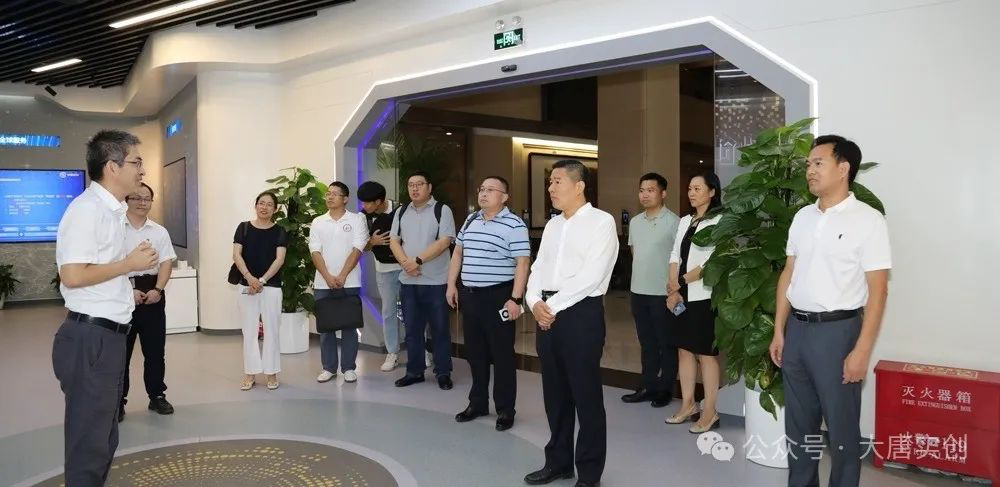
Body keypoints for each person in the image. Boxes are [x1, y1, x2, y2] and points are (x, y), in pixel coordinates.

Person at [770, 135, 890, 487]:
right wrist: (779, 330)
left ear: (843, 168)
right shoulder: (802, 217)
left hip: (839, 334)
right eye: (808, 164)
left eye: (818, 163)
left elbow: (879, 290)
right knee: (798, 428)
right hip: (798, 331)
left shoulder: (868, 220)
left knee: (841, 430)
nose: (810, 170)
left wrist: (861, 351)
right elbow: (788, 274)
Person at [53, 129, 159, 485]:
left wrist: (125, 278)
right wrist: (128, 265)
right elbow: (72, 275)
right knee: (90, 443)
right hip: (91, 338)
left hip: (106, 336)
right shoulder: (88, 210)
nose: (142, 170)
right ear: (112, 167)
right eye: (136, 162)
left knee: (103, 437)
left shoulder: (111, 212)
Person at [524, 160, 618, 487]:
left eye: (557, 181)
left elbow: (592, 276)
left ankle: (589, 475)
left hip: (581, 314)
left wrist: (549, 307)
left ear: (579, 186)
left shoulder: (601, 222)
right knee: (555, 395)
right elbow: (538, 268)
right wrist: (533, 301)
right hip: (547, 313)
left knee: (586, 397)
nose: (550, 188)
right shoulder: (553, 225)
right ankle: (559, 463)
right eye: (550, 182)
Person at [446, 176, 530, 431]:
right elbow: (458, 252)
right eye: (481, 189)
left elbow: (522, 263)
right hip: (471, 296)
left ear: (504, 197)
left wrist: (515, 299)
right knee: (475, 353)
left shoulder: (514, 224)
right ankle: (478, 403)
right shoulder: (471, 220)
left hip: (499, 296)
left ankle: (505, 409)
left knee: (502, 355)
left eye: (490, 190)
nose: (483, 193)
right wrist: (451, 285)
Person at [664, 171, 723, 434]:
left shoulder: (718, 220)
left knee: (706, 355)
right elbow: (674, 255)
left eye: (697, 188)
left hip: (703, 295)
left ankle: (710, 411)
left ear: (712, 192)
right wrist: (673, 288)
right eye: (689, 188)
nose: (691, 193)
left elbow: (712, 261)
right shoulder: (685, 221)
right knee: (684, 350)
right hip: (681, 294)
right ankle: (688, 404)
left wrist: (681, 281)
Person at [389, 171, 457, 390]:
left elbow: (445, 241)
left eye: (419, 184)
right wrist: (406, 263)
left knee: (439, 330)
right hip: (408, 282)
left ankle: (443, 372)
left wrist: (416, 261)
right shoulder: (401, 211)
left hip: (436, 282)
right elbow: (394, 241)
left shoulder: (442, 210)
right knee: (412, 330)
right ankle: (414, 371)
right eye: (411, 185)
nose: (414, 188)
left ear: (429, 187)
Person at [621, 172, 680, 408]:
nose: (645, 195)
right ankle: (647, 385)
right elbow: (635, 253)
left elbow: (679, 259)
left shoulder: (674, 222)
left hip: (663, 293)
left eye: (651, 190)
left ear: (663, 193)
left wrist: (674, 289)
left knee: (666, 343)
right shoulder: (635, 222)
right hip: (638, 292)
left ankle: (665, 388)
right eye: (642, 190)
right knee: (647, 343)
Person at [120, 182, 177, 422]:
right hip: (122, 295)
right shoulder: (115, 229)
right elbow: (110, 264)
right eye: (136, 197)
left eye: (147, 198)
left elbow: (166, 263)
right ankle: (118, 401)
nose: (142, 202)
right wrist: (127, 291)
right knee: (121, 354)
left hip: (153, 294)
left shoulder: (159, 231)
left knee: (155, 352)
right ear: (127, 200)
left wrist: (158, 290)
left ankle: (157, 396)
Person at [310, 182, 369, 383]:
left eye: (335, 194)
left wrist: (343, 275)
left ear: (345, 198)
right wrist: (328, 276)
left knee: (349, 325)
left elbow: (358, 249)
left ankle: (349, 368)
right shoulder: (318, 221)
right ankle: (329, 368)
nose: (329, 196)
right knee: (326, 326)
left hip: (350, 281)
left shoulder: (357, 219)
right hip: (322, 282)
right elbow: (315, 251)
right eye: (328, 193)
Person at [232, 191, 287, 391]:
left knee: (272, 329)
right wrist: (249, 278)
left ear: (275, 209)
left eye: (269, 204)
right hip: (246, 285)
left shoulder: (280, 231)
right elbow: (236, 255)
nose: (265, 207)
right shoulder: (244, 227)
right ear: (255, 206)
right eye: (261, 203)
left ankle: (271, 373)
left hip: (271, 286)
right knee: (249, 331)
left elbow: (279, 259)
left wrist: (262, 280)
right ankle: (250, 373)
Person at [358, 181, 404, 372]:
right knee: (388, 311)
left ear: (379, 201)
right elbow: (362, 246)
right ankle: (392, 352)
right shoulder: (363, 217)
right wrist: (373, 241)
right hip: (384, 270)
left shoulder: (401, 210)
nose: (364, 206)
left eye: (367, 202)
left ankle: (423, 350)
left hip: (407, 268)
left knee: (413, 311)